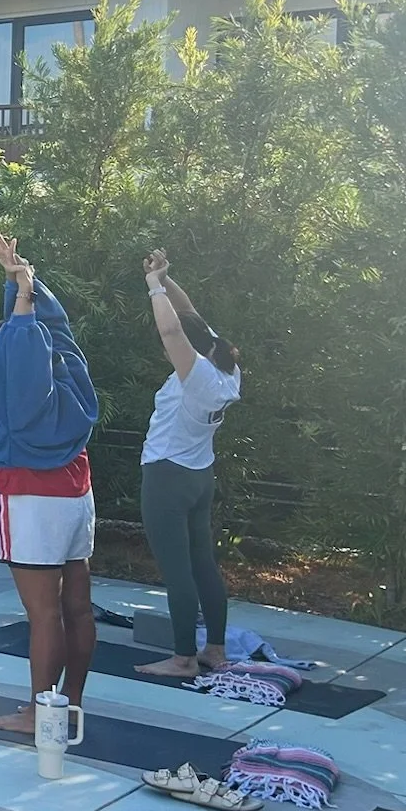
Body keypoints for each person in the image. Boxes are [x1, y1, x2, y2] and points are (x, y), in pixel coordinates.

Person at [0, 232, 101, 736]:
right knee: (75, 605)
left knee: (44, 614)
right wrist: (20, 279)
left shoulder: (22, 393)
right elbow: (53, 327)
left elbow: (23, 346)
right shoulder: (68, 371)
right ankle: (69, 703)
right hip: (75, 492)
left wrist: (23, 297)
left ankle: (39, 712)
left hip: (31, 498)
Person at [131, 251, 243, 680]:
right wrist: (165, 276)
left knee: (177, 569)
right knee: (203, 563)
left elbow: (172, 327)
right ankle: (214, 648)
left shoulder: (195, 377)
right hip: (199, 476)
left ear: (190, 352)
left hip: (167, 476)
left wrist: (154, 288)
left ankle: (182, 658)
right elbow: (189, 315)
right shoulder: (225, 369)